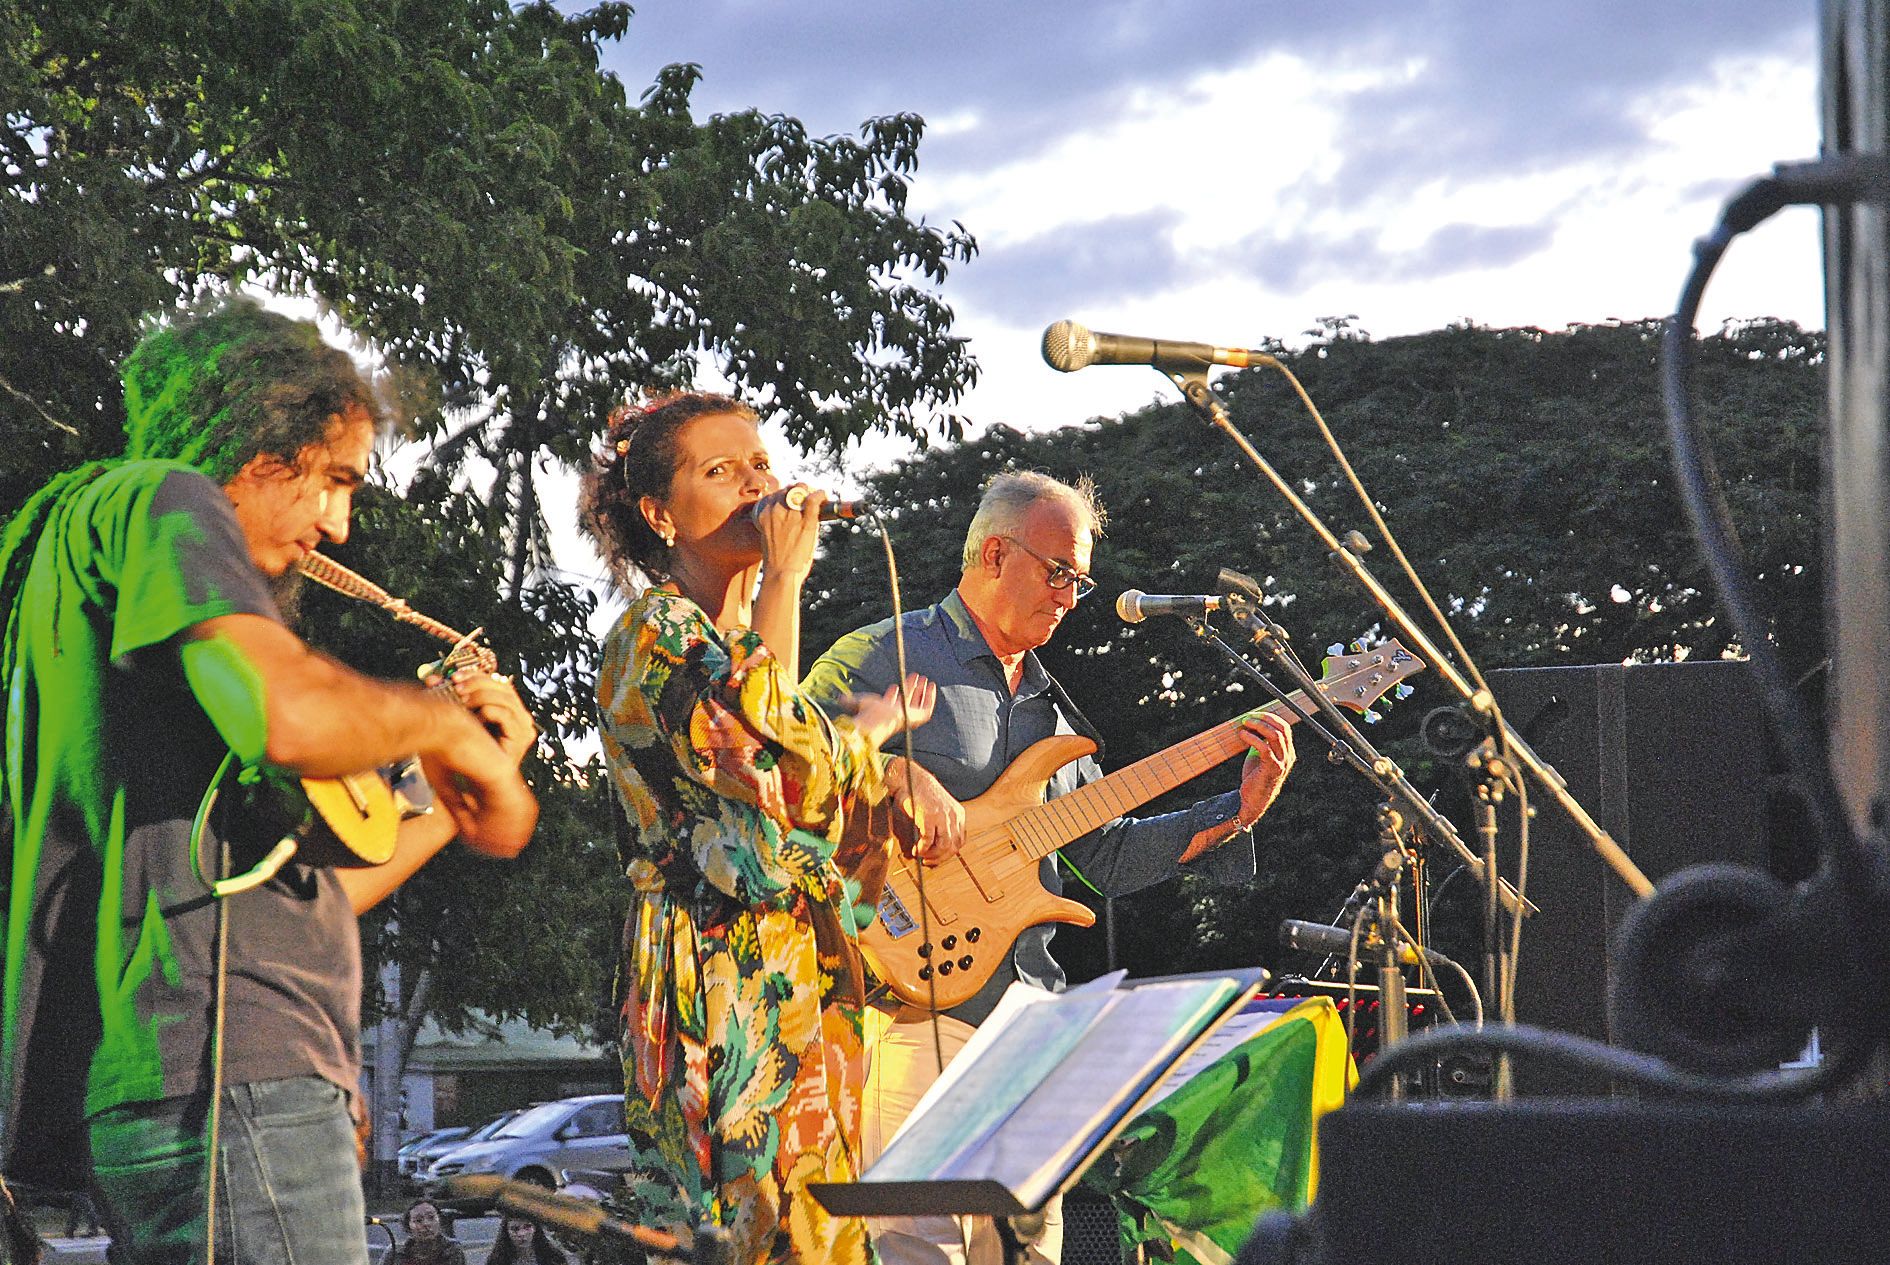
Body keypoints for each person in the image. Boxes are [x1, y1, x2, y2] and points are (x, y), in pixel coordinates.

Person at [0, 297, 540, 1265]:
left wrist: (437, 800)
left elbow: (292, 894)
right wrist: (446, 725)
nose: (337, 523)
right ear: (258, 440)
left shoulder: (67, 560)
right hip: (237, 1081)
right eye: (333, 478)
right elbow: (287, 714)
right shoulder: (165, 499)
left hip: (172, 1082)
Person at [800, 470, 1297, 1265]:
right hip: (903, 1005)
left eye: (1082, 579)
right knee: (916, 1249)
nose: (1072, 595)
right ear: (996, 553)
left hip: (1030, 1023)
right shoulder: (881, 652)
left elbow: (1105, 854)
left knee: (1033, 1255)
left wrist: (1236, 811)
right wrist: (894, 773)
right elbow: (786, 764)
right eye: (1060, 571)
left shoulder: (1054, 711)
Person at [579, 392, 946, 1265]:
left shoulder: (739, 643)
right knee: (740, 1233)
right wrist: (785, 577)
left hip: (798, 975)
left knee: (816, 1232)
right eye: (721, 469)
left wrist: (884, 771)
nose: (757, 481)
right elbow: (777, 758)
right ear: (660, 514)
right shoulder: (652, 633)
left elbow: (807, 769)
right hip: (715, 968)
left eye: (760, 462)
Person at [388, 1201, 465, 1265]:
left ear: (440, 1220)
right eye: (418, 1220)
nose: (426, 1224)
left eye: (431, 1217)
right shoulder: (396, 1251)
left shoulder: (451, 1249)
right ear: (408, 1226)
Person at [485, 1217, 568, 1265]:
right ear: (506, 1232)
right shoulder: (496, 1261)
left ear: (535, 1229)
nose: (521, 1234)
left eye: (527, 1227)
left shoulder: (554, 1258)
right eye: (515, 1229)